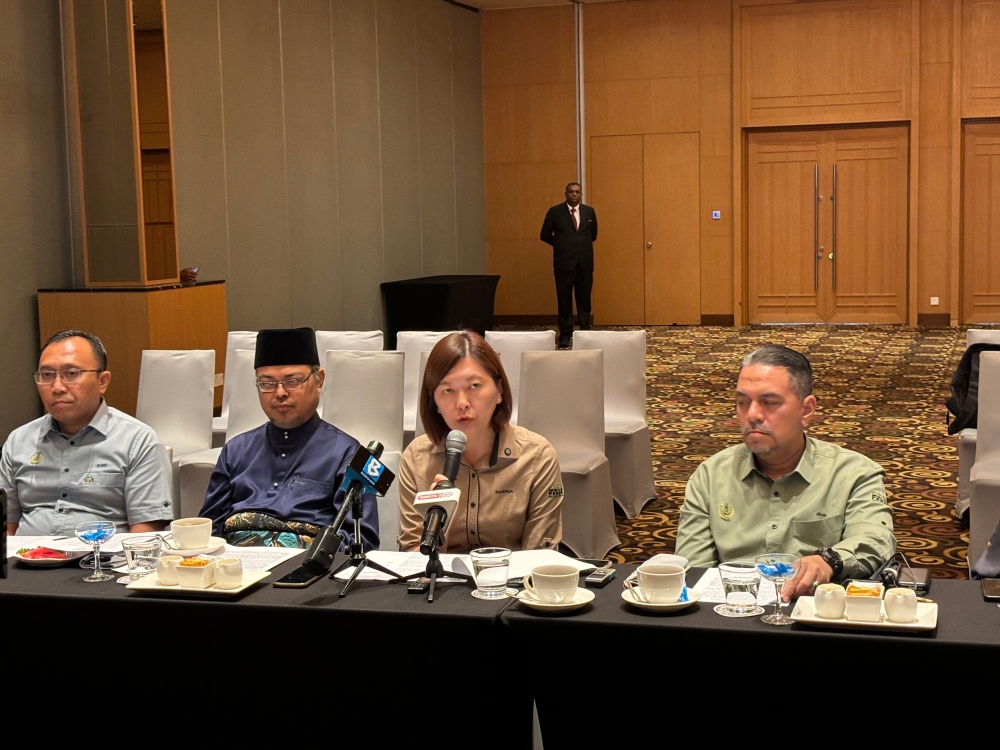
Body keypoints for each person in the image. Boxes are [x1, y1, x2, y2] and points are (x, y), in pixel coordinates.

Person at [675, 345, 895, 601]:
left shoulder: (853, 473)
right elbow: (693, 570)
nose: (752, 415)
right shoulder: (711, 476)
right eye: (742, 402)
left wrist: (828, 561)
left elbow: (876, 541)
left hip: (816, 612)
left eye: (769, 403)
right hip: (732, 611)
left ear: (806, 410)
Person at [199, 327, 378, 549]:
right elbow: (208, 531)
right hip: (236, 565)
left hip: (308, 566)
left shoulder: (352, 454)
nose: (280, 393)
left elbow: (363, 541)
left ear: (319, 380)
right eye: (267, 383)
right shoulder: (235, 450)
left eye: (292, 381)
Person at [397, 331, 563, 553]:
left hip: (512, 574)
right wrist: (438, 528)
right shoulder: (416, 459)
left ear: (499, 391)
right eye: (448, 390)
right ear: (434, 402)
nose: (462, 403)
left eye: (474, 386)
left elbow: (539, 558)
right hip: (441, 575)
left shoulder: (537, 457)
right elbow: (411, 556)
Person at [2, 330, 173, 535]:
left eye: (71, 374)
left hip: (101, 554)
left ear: (102, 381)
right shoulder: (19, 440)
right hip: (27, 554)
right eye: (47, 375)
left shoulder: (138, 441)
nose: (57, 387)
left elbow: (146, 534)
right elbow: (8, 526)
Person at [540, 182, 598, 349]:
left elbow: (593, 235)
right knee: (564, 300)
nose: (574, 194)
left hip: (584, 263)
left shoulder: (589, 211)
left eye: (577, 192)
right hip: (564, 264)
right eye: (571, 192)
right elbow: (544, 235)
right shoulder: (555, 212)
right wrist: (561, 245)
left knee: (584, 300)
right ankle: (565, 334)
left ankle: (585, 333)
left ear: (581, 194)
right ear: (566, 194)